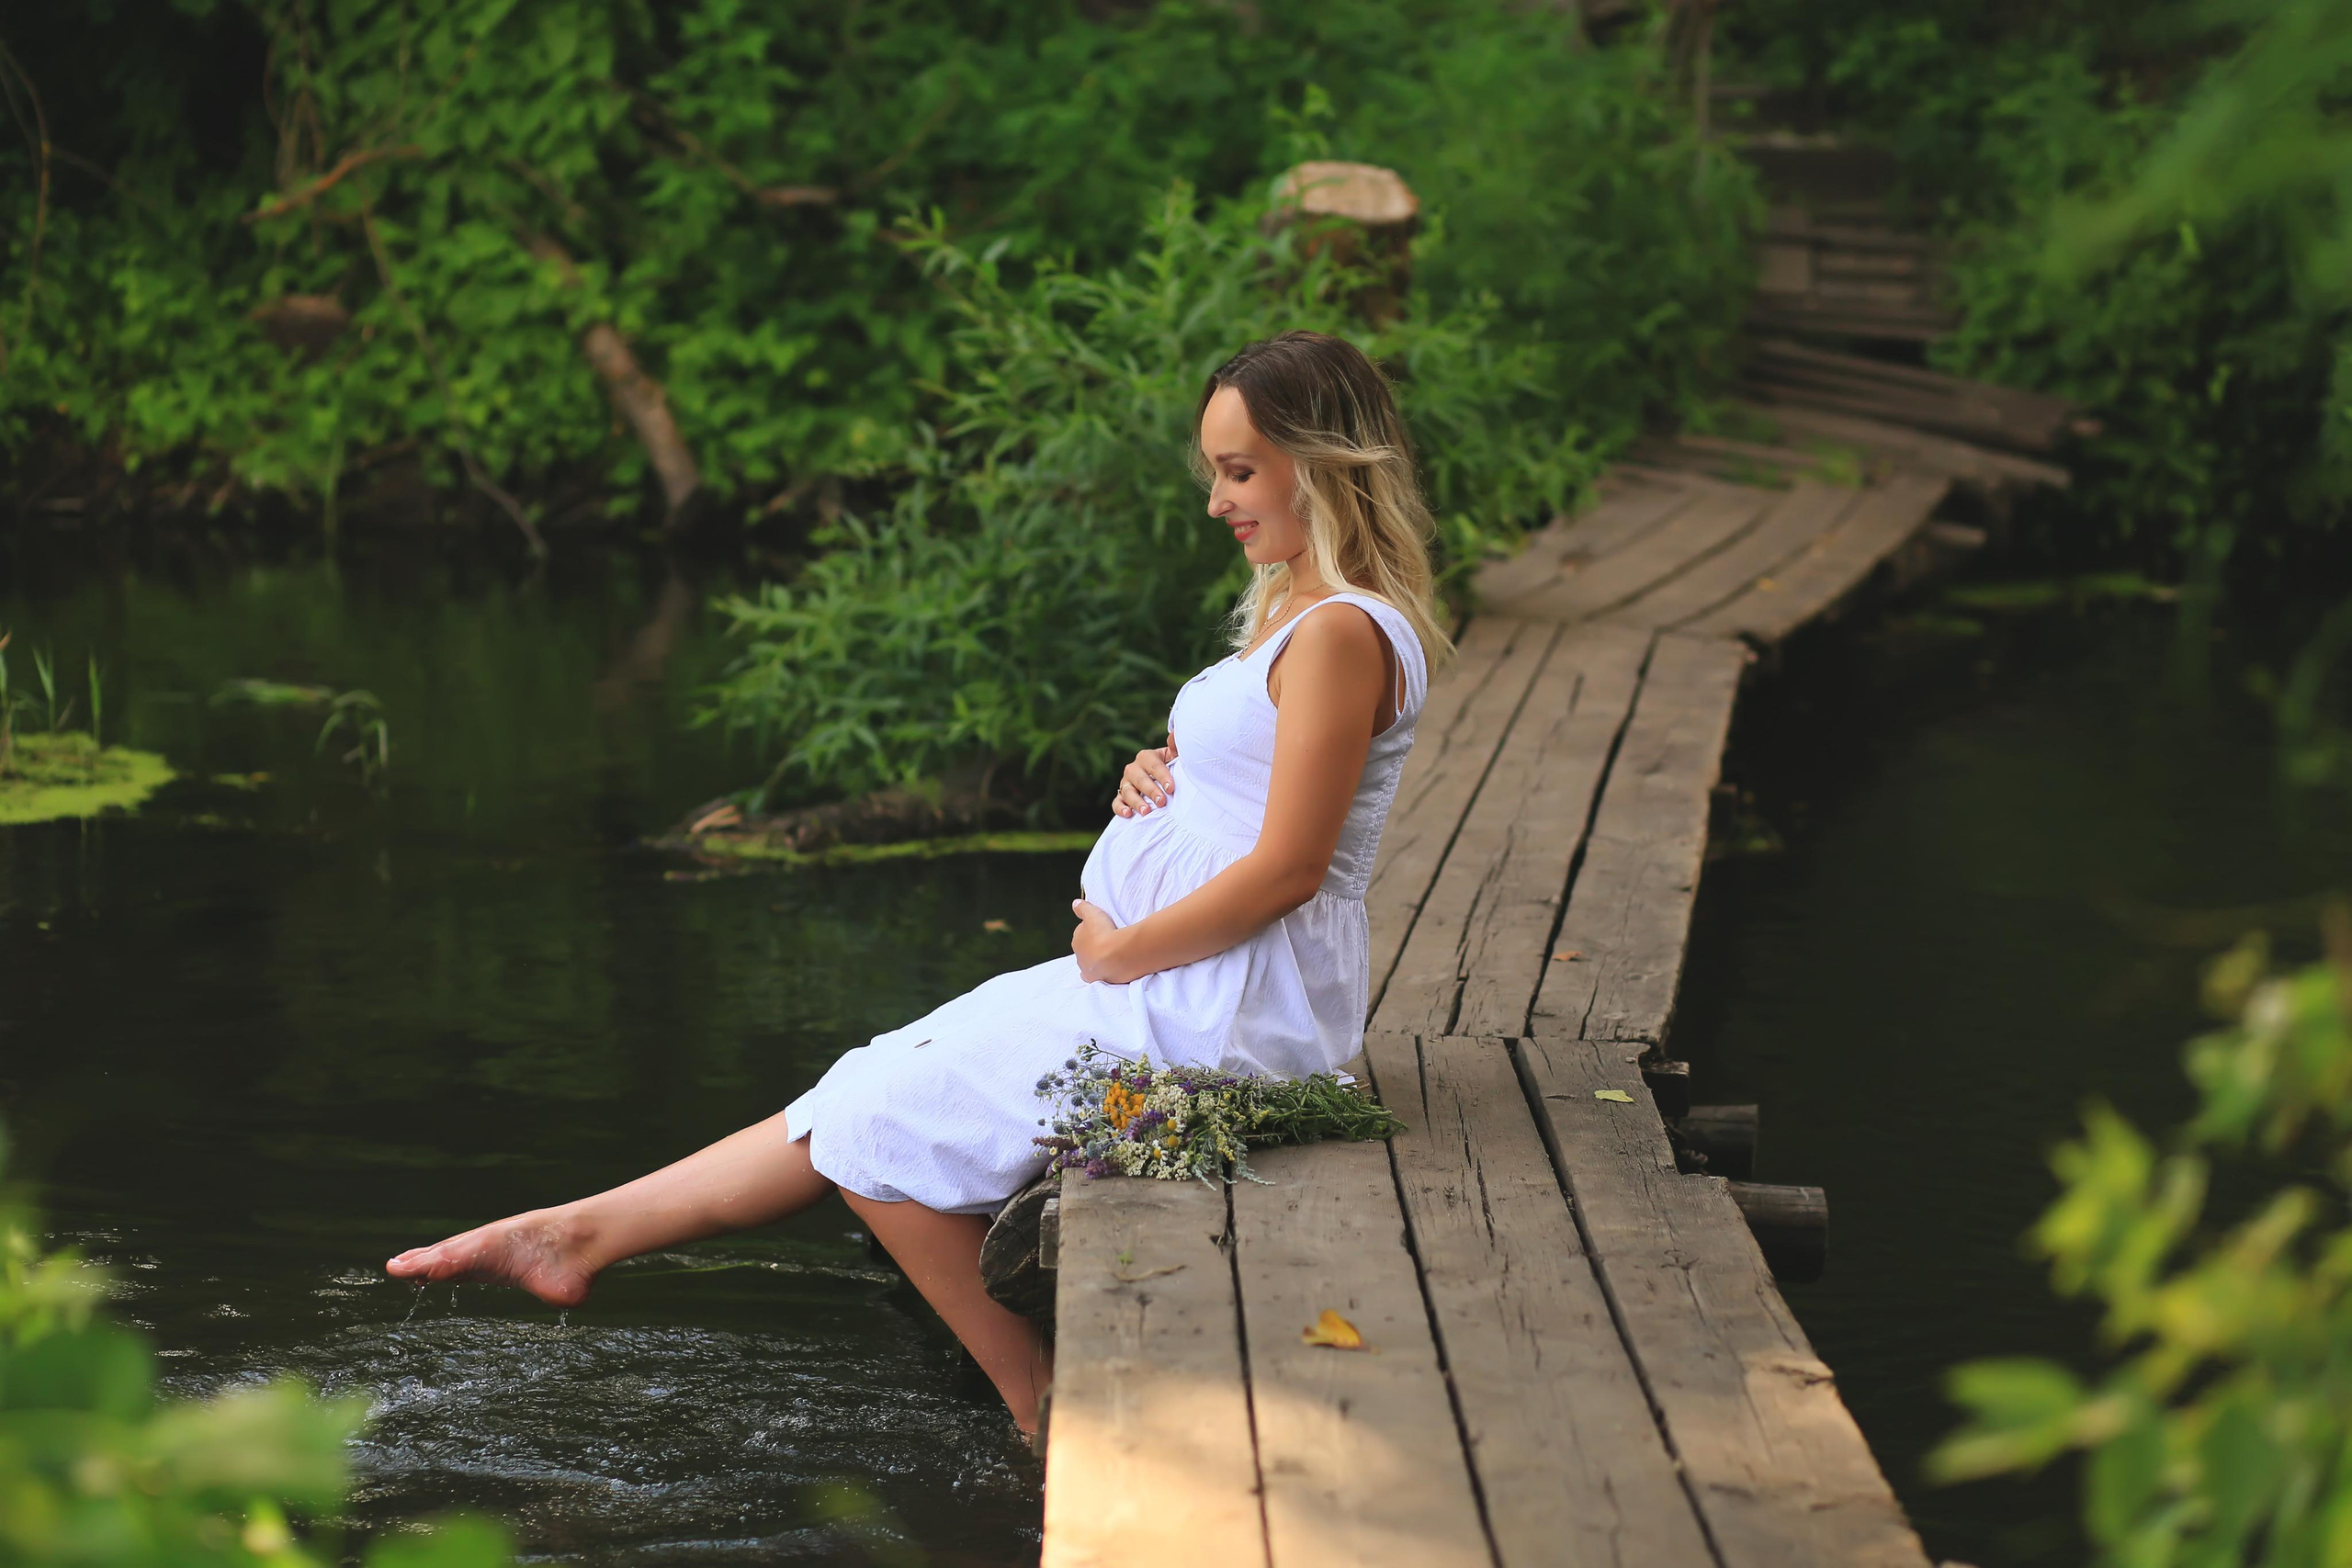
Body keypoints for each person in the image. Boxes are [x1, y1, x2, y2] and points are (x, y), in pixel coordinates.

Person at [385, 331, 1452, 1436]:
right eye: (1216, 473)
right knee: (873, 1079)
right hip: (1183, 980)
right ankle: (578, 1232)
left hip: (1226, 1004)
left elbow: (1290, 865)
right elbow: (1258, 784)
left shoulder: (1337, 632)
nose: (1218, 503)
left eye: (1240, 472)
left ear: (1323, 463)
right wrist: (1163, 772)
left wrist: (1119, 949)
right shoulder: (1299, 610)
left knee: (882, 1130)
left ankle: (1038, 1406)